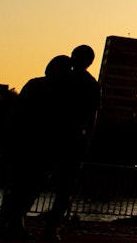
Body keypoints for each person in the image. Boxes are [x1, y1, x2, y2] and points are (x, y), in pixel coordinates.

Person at [0, 55, 74, 239]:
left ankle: (11, 222)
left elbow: (17, 112)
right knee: (24, 186)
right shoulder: (50, 88)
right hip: (36, 145)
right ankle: (14, 221)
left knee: (23, 187)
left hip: (35, 145)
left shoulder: (41, 86)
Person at [41, 44, 100, 240]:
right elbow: (92, 117)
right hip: (74, 139)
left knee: (36, 179)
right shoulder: (91, 84)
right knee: (65, 188)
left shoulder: (58, 79)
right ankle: (51, 227)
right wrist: (86, 142)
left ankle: (16, 219)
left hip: (52, 136)